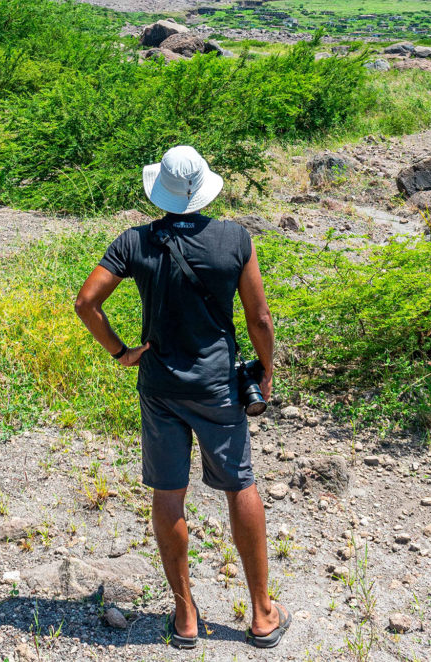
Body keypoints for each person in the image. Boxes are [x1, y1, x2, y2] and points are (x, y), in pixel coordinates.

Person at [74, 145, 290, 649]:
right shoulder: (234, 238)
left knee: (169, 493)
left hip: (160, 386)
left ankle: (186, 614)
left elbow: (86, 302)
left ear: (162, 191)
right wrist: (267, 369)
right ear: (203, 189)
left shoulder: (134, 242)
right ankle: (261, 614)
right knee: (240, 484)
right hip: (217, 385)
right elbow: (259, 318)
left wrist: (121, 352)